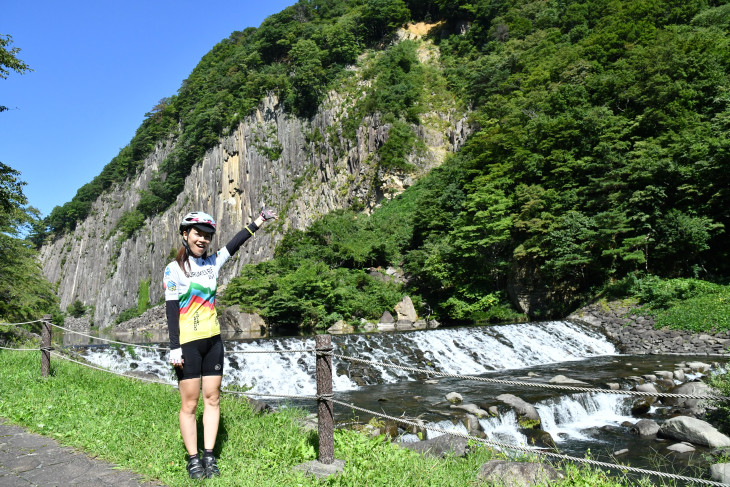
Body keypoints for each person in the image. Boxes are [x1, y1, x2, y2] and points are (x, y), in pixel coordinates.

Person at [164, 207, 277, 479]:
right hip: (188, 343)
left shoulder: (213, 262)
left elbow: (236, 243)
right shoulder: (174, 269)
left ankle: (209, 456)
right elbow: (170, 311)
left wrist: (259, 220)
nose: (202, 239)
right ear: (185, 235)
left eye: (206, 236)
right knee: (189, 405)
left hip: (213, 341)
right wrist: (174, 347)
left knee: (212, 399)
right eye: (197, 234)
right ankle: (193, 460)